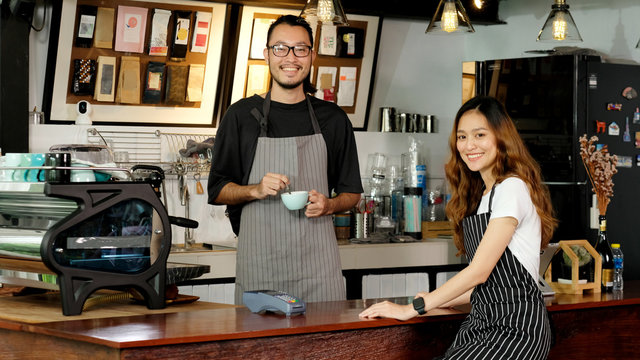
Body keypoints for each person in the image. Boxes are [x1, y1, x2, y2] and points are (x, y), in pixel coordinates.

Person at [359, 96, 557, 360]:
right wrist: (436, 299)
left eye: (479, 135)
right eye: (462, 137)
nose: (469, 145)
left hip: (515, 329)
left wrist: (412, 308)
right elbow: (491, 284)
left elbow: (479, 272)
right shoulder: (486, 196)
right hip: (482, 324)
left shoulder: (512, 188)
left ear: (501, 137)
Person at [208, 15, 363, 304]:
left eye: (300, 49)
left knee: (326, 347)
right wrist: (254, 189)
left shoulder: (334, 119)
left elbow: (352, 194)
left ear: (312, 56)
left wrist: (329, 204)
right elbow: (217, 190)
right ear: (267, 54)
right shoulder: (241, 116)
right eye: (281, 48)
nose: (290, 57)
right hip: (261, 270)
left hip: (319, 270)